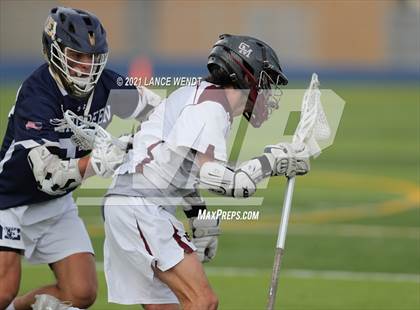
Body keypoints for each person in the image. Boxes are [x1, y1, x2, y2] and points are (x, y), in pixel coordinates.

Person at [99, 34, 310, 310]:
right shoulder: (211, 108)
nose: (267, 93)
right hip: (140, 209)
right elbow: (230, 183)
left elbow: (176, 166)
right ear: (245, 75)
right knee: (203, 301)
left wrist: (198, 213)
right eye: (264, 82)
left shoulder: (199, 96)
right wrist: (273, 161)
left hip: (130, 206)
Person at [0, 7, 161, 310]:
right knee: (3, 289)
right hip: (10, 200)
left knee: (81, 292)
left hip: (56, 204)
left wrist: (157, 134)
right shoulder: (37, 94)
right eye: (77, 56)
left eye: (93, 57)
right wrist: (99, 161)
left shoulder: (107, 86)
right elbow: (48, 175)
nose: (86, 66)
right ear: (55, 51)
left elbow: (157, 110)